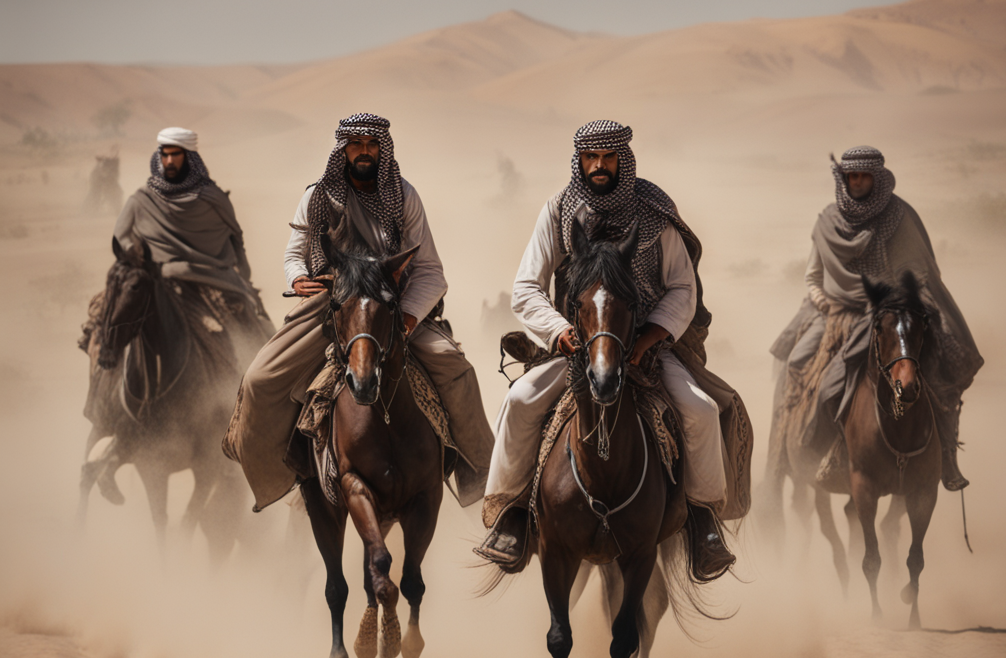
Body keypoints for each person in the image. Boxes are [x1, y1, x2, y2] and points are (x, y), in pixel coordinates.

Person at [475, 120, 752, 580]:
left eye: (607, 157)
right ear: (579, 160)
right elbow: (526, 287)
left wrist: (652, 336)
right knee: (519, 402)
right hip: (575, 345)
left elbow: (682, 287)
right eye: (590, 157)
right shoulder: (558, 209)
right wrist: (558, 330)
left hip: (645, 345)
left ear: (623, 158)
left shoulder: (654, 211)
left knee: (702, 411)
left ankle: (703, 526)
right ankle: (512, 517)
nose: (599, 166)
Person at [223, 112, 493, 511]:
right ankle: (281, 469)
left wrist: (406, 318)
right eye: (355, 144)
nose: (364, 151)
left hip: (391, 306)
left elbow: (430, 271)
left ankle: (482, 477)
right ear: (342, 149)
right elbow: (295, 254)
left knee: (457, 368)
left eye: (372, 144)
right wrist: (298, 278)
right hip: (330, 306)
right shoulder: (316, 196)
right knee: (260, 378)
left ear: (383, 148)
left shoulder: (404, 195)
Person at [767, 145, 983, 491]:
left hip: (892, 308)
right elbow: (813, 276)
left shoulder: (898, 216)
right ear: (844, 178)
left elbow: (916, 268)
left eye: (865, 176)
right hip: (835, 310)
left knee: (939, 370)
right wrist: (824, 303)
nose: (859, 182)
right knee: (799, 364)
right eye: (853, 176)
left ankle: (946, 457)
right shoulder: (828, 220)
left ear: (877, 178)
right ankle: (812, 454)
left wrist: (897, 299)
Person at [80, 127, 273, 499]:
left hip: (209, 282)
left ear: (190, 157)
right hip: (150, 278)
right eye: (165, 154)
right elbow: (121, 240)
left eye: (177, 154)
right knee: (101, 326)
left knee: (251, 337)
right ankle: (105, 412)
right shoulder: (141, 199)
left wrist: (240, 280)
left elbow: (236, 241)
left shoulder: (213, 198)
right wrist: (146, 259)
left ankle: (249, 425)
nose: (170, 161)